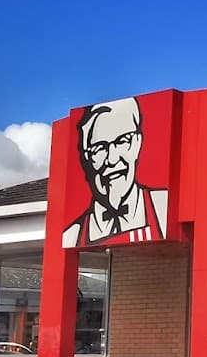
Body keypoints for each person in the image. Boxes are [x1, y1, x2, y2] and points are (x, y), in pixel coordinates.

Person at [61, 97, 168, 247]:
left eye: (122, 141)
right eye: (99, 148)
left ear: (137, 143)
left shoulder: (164, 208)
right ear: (87, 157)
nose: (112, 159)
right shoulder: (71, 236)